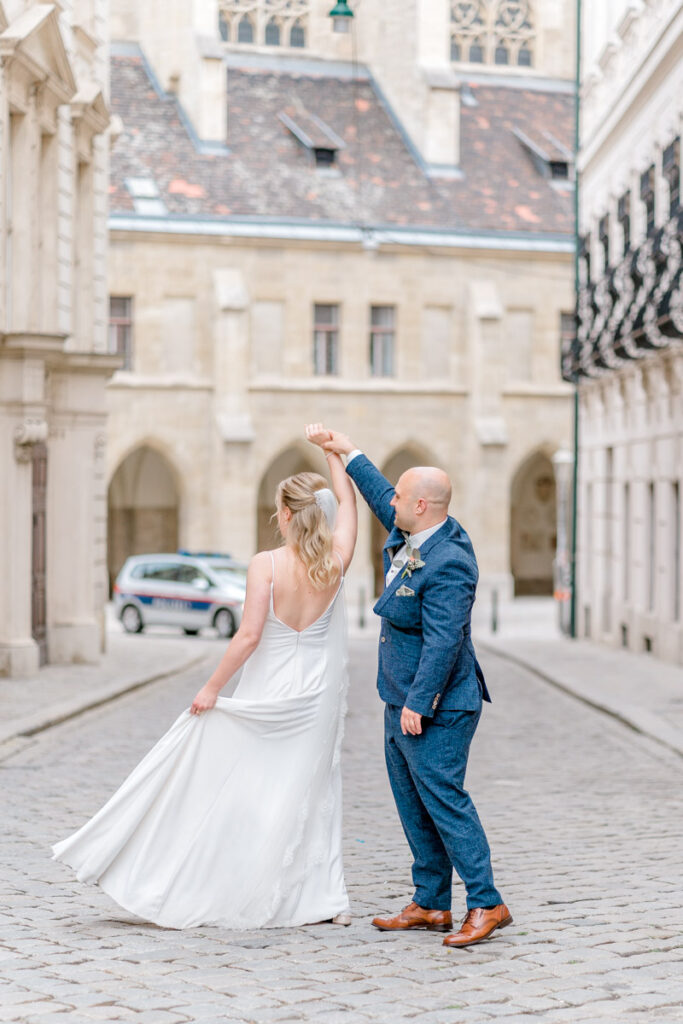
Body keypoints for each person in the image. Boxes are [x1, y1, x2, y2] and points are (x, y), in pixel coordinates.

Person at [52, 431, 357, 930]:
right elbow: (346, 500)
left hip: (269, 690)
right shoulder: (337, 562)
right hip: (315, 695)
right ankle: (322, 896)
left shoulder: (266, 565)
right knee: (314, 788)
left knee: (252, 788)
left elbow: (248, 637)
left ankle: (243, 880)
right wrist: (333, 455)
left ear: (284, 514)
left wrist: (211, 687)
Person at [307, 426, 510, 949]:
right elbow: (380, 495)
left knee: (445, 801)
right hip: (397, 696)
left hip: (437, 705)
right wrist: (345, 451)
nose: (389, 501)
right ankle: (431, 903)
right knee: (412, 802)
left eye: (400, 496)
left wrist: (419, 704)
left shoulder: (450, 561)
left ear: (421, 504)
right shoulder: (419, 531)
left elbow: (445, 642)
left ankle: (487, 903)